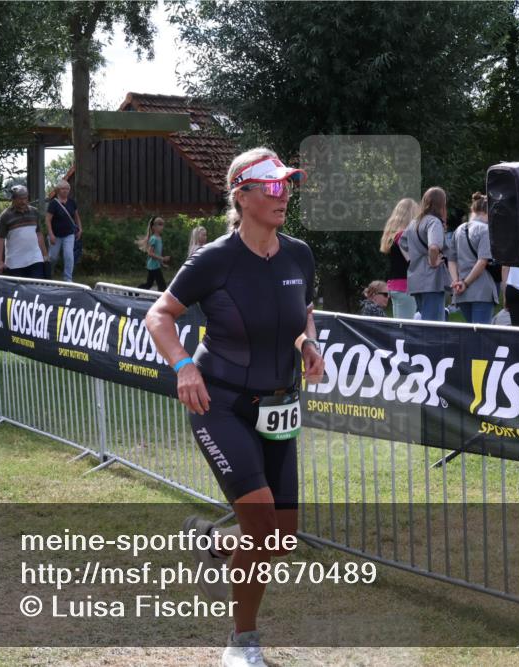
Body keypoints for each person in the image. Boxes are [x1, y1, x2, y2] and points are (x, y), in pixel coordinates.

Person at [144, 147, 323, 667]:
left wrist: (309, 344)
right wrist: (183, 366)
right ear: (241, 196)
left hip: (279, 405)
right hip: (219, 404)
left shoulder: (299, 255)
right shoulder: (215, 258)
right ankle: (242, 641)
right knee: (265, 528)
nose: (282, 194)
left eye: (286, 184)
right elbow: (160, 315)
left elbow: (303, 314)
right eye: (269, 187)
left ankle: (220, 542)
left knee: (281, 539)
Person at [400, 187, 451, 321]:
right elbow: (434, 247)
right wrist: (433, 261)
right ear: (442, 203)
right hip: (431, 280)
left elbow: (402, 242)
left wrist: (413, 259)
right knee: (433, 325)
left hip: (415, 278)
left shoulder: (413, 222)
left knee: (423, 321)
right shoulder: (434, 222)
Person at [448, 193, 496, 324]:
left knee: (471, 332)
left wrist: (456, 281)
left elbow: (451, 260)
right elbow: (482, 261)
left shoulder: (458, 230)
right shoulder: (485, 230)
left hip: (461, 293)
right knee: (482, 335)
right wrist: (466, 283)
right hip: (481, 290)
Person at [0, 185, 48, 278]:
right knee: (18, 291)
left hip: (35, 258)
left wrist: (45, 255)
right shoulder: (5, 216)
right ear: (13, 199)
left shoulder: (34, 212)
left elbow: (39, 234)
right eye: (20, 199)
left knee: (36, 288)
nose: (23, 201)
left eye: (25, 198)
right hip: (15, 262)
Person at [379, 198, 417, 319]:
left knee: (400, 327)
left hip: (395, 286)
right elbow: (412, 261)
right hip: (406, 287)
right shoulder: (403, 235)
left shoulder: (393, 235)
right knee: (407, 328)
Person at [44, 179, 82, 282]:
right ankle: (48, 274)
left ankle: (68, 279)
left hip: (69, 234)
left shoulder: (72, 202)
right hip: (55, 235)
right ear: (58, 190)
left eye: (67, 188)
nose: (65, 190)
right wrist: (50, 234)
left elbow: (76, 216)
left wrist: (80, 229)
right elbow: (47, 220)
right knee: (53, 258)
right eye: (63, 188)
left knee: (69, 256)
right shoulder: (53, 204)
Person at [138, 216, 170, 291]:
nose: (162, 226)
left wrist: (162, 263)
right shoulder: (153, 239)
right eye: (160, 224)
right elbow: (150, 253)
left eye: (162, 224)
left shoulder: (159, 238)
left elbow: (157, 254)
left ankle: (133, 292)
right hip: (153, 266)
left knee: (149, 284)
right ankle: (160, 300)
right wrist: (163, 258)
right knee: (162, 285)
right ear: (153, 227)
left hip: (155, 266)